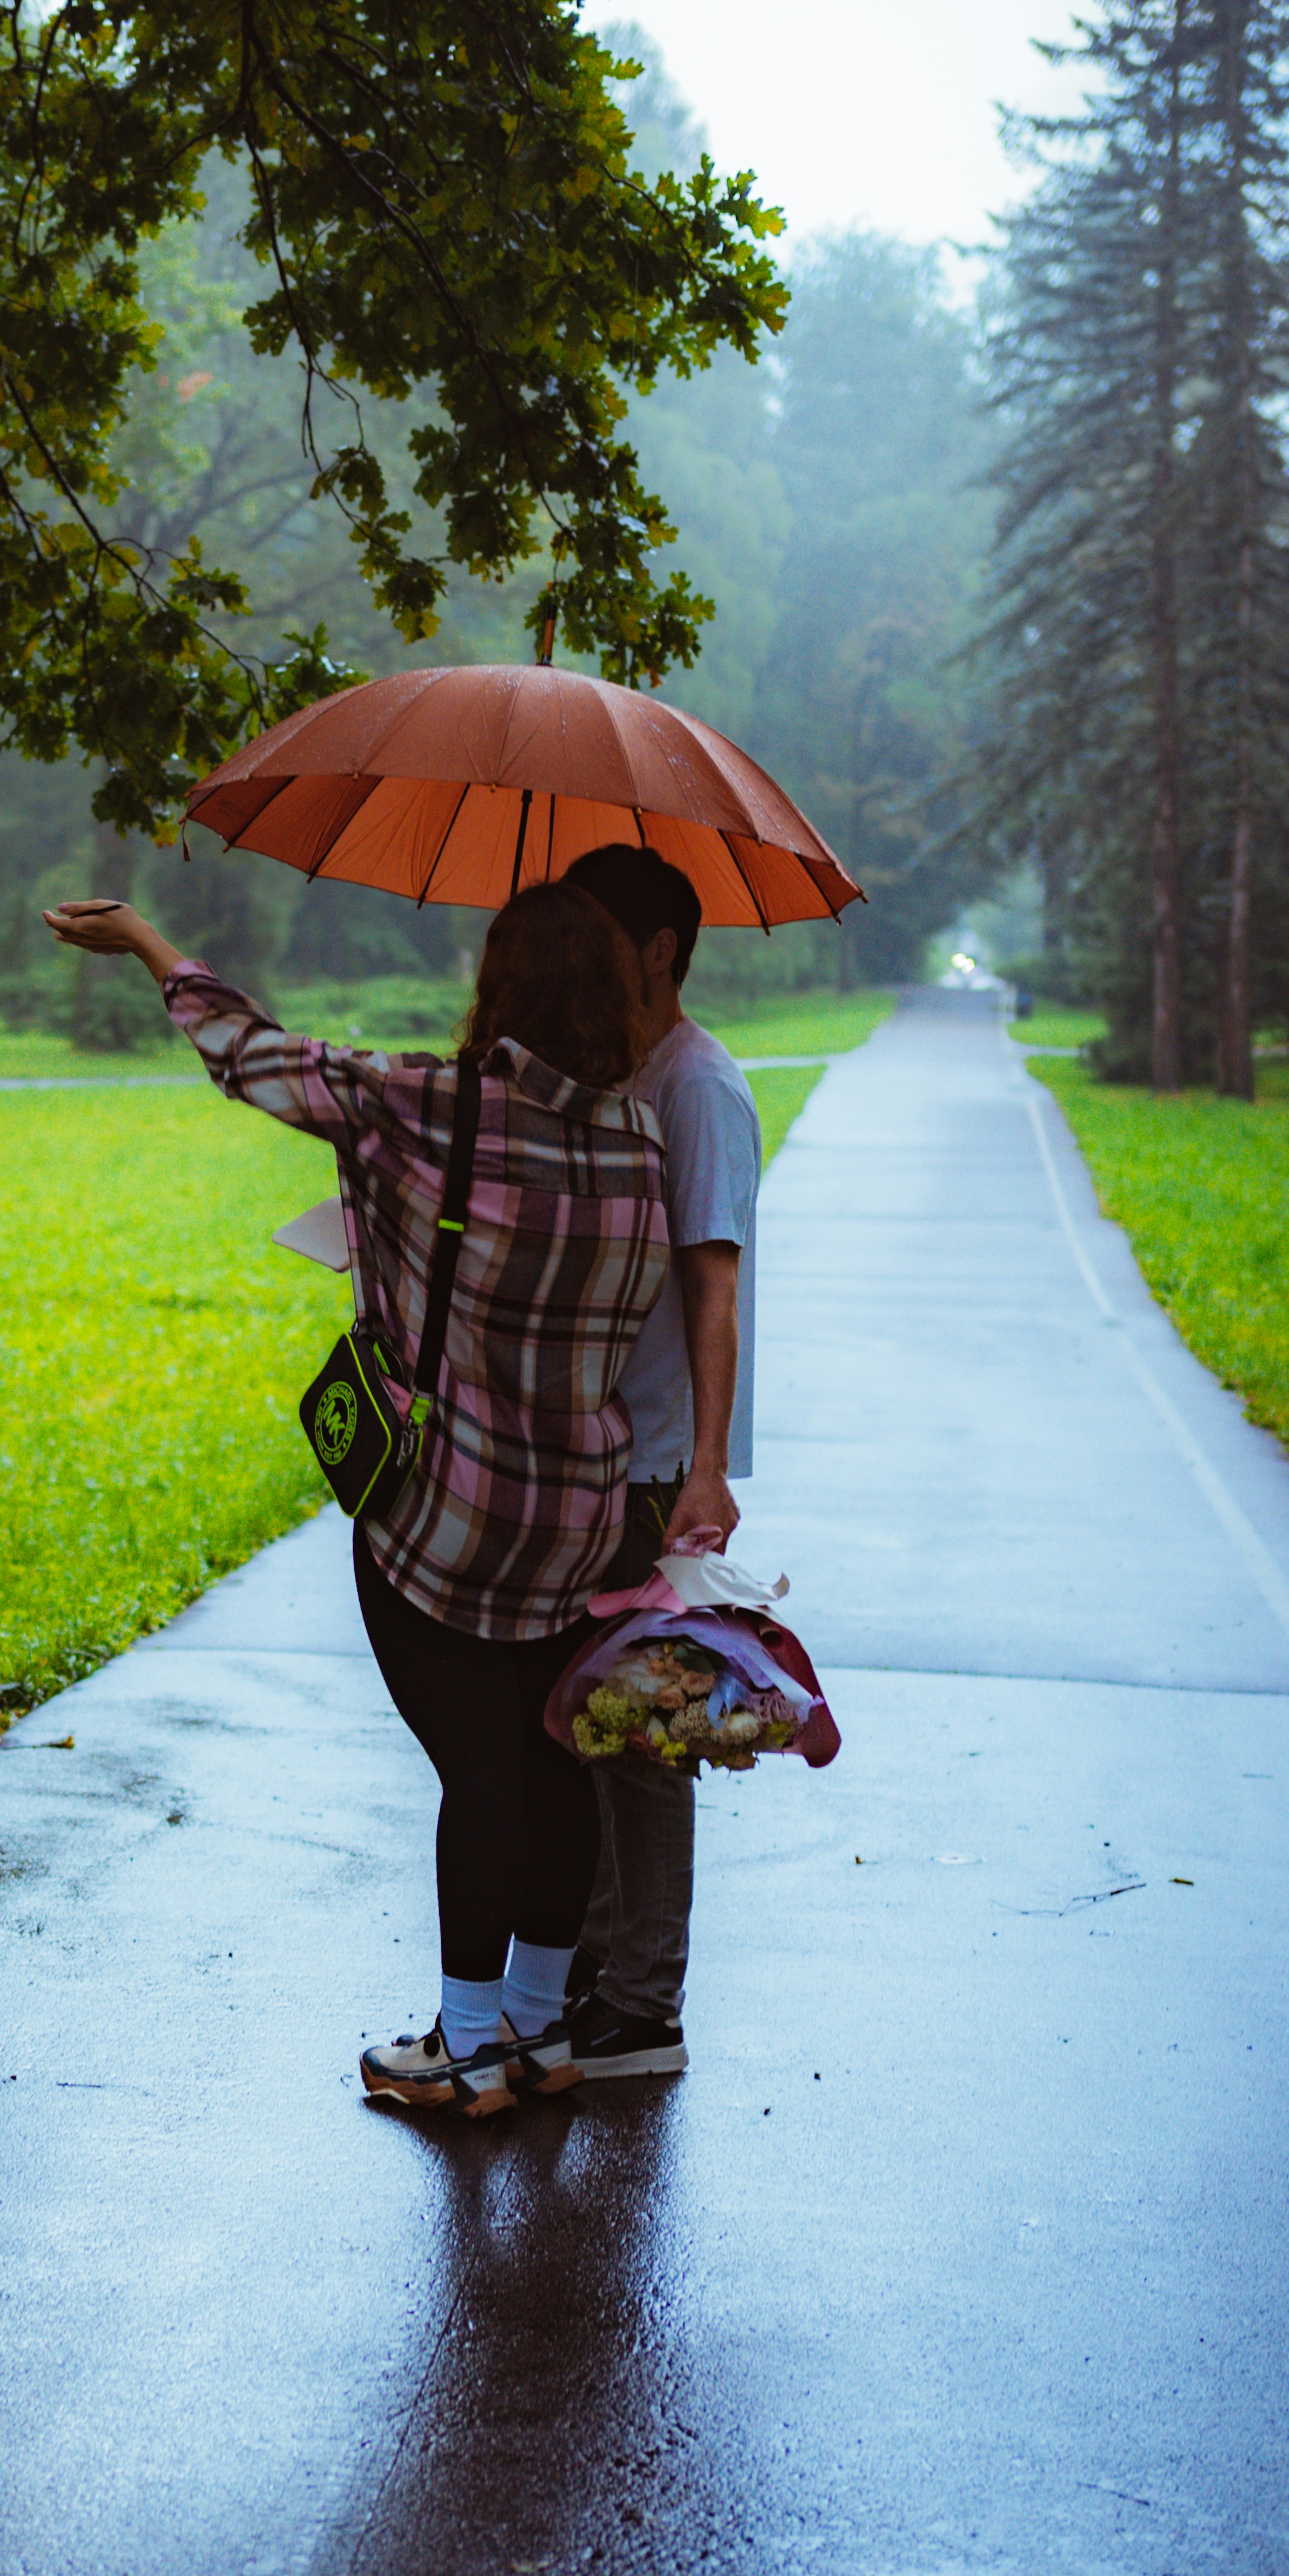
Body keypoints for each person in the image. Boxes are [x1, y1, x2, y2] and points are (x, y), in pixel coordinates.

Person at [43, 878, 673, 2118]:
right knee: (551, 1765)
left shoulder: (427, 1106)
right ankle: (539, 2036)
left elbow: (251, 1054)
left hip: (448, 1509)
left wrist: (148, 940)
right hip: (584, 1516)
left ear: (499, 988)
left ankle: (466, 2044)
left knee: (479, 1769)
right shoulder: (638, 1144)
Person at [552, 844, 763, 2083]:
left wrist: (705, 1471)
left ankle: (645, 2006)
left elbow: (712, 1283)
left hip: (656, 1464)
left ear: (660, 953)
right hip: (604, 1446)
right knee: (594, 1724)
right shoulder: (625, 1072)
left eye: (597, 933)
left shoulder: (697, 1087)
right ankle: (595, 1970)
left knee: (640, 1735)